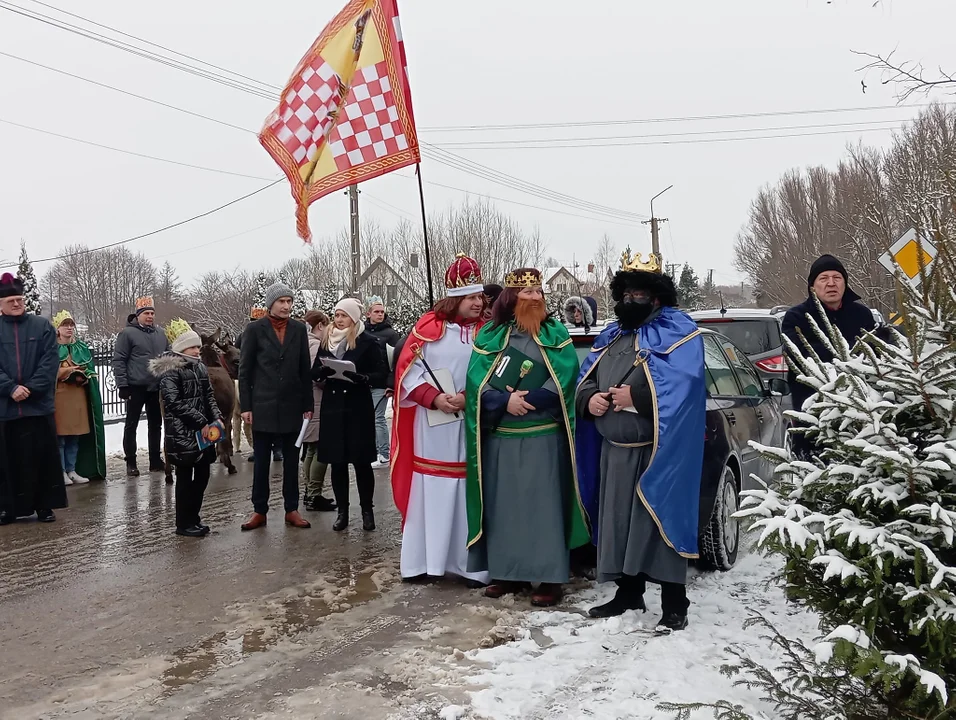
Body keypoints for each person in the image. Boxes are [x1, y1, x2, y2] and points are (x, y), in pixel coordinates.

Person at [575, 252, 706, 631]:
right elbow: (585, 382)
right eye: (627, 293)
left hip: (657, 454)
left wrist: (638, 399)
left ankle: (674, 603)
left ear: (657, 296)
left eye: (640, 293)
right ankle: (628, 592)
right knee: (617, 523)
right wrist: (590, 400)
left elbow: (687, 389)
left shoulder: (680, 333)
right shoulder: (611, 335)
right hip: (613, 453)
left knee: (659, 525)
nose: (631, 299)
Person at [464, 268, 589, 606]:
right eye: (528, 292)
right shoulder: (490, 336)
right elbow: (477, 384)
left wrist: (528, 400)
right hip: (502, 439)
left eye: (539, 292)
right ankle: (507, 573)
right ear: (512, 298)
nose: (535, 298)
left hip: (543, 439)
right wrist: (505, 400)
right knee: (504, 508)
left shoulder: (556, 333)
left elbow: (563, 379)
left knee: (543, 508)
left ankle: (549, 577)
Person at [392, 254, 491, 586]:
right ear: (455, 298)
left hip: (472, 422)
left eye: (480, 297)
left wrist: (469, 397)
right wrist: (434, 397)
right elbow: (408, 373)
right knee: (431, 485)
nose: (479, 302)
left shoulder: (488, 333)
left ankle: (470, 565)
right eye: (472, 297)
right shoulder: (428, 329)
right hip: (433, 426)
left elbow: (495, 373)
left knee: (469, 487)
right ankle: (424, 562)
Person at [782, 254, 877, 458]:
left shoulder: (862, 316)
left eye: (837, 277)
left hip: (861, 413)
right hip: (813, 415)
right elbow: (801, 355)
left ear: (845, 283)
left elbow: (874, 353)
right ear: (812, 286)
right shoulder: (796, 317)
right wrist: (850, 350)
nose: (831, 283)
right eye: (823, 278)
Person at [238, 282, 313, 531]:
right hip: (263, 406)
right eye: (282, 301)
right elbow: (245, 371)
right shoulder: (255, 329)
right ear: (271, 304)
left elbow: (305, 369)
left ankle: (291, 508)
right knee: (262, 462)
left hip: (292, 405)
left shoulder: (299, 330)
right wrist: (246, 406)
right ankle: (259, 510)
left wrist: (307, 404)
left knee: (292, 462)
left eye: (289, 301)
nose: (286, 306)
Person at [312, 297, 388, 532]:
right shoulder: (327, 340)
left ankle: (367, 510)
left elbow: (381, 372)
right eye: (336, 315)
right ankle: (342, 512)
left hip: (357, 406)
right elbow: (313, 371)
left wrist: (363, 378)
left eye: (343, 315)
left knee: (361, 462)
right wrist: (322, 372)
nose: (339, 319)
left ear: (353, 318)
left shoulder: (367, 341)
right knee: (337, 463)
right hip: (334, 406)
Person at [0, 273, 67, 525]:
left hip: (37, 406)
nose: (17, 303)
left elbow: (50, 361)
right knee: (7, 462)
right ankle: (7, 508)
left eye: (19, 299)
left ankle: (44, 505)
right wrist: (9, 388)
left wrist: (29, 388)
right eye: (11, 300)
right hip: (6, 406)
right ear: (1, 304)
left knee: (42, 459)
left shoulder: (42, 327)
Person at [151, 326, 223, 537]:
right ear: (182, 348)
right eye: (192, 347)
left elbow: (209, 396)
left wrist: (216, 416)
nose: (196, 351)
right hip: (183, 433)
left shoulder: (199, 367)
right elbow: (173, 402)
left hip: (204, 433)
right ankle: (183, 523)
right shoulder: (171, 371)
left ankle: (194, 517)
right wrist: (200, 421)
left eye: (198, 347)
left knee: (202, 475)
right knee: (184, 479)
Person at [113, 296, 169, 477]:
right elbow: (119, 360)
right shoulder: (127, 334)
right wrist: (122, 385)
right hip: (135, 387)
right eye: (146, 313)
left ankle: (155, 460)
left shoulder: (161, 334)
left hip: (156, 386)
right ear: (138, 315)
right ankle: (131, 462)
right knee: (131, 425)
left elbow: (167, 358)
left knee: (156, 425)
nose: (150, 316)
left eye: (152, 313)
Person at [53, 311, 106, 485]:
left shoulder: (81, 348)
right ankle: (59, 471)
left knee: (74, 437)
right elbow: (49, 372)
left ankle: (71, 469)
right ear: (58, 329)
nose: (69, 328)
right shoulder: (51, 348)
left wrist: (87, 376)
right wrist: (69, 371)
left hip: (78, 397)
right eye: (65, 325)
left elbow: (89, 369)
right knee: (60, 437)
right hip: (60, 397)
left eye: (71, 325)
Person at [235, 307, 283, 464]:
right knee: (260, 420)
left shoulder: (269, 334)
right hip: (256, 381)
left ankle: (274, 449)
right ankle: (267, 449)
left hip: (265, 381)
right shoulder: (247, 334)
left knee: (270, 418)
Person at [301, 310, 334, 512]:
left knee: (311, 449)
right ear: (320, 326)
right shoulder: (315, 346)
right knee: (319, 448)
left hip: (308, 403)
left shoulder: (301, 344)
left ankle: (309, 493)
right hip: (318, 402)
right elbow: (319, 377)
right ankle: (314, 494)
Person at [365, 296, 399, 467]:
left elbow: (395, 361)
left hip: (381, 382)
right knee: (368, 419)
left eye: (382, 312)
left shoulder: (391, 334)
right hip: (364, 381)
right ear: (368, 313)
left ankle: (384, 453)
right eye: (376, 311)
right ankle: (373, 450)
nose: (380, 314)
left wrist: (390, 383)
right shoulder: (361, 332)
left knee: (378, 418)